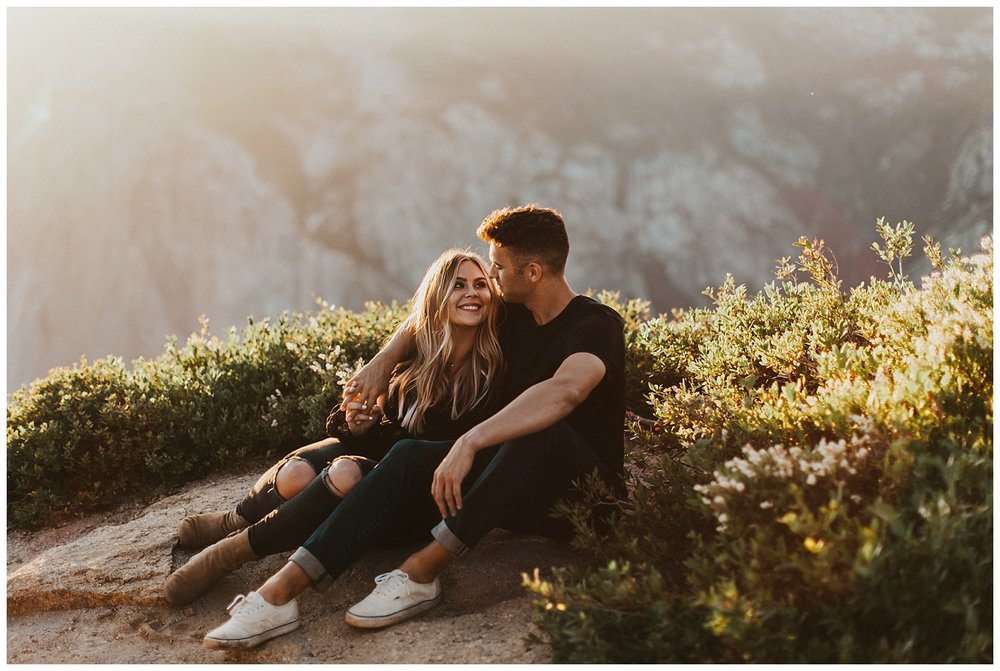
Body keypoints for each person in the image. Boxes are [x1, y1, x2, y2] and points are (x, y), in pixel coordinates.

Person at [202, 204, 625, 650]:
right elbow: (436, 308)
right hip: (515, 491)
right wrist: (384, 360)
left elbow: (566, 391)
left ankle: (420, 573)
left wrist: (470, 441)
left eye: (497, 268)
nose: (491, 278)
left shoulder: (595, 324)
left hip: (585, 498)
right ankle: (276, 598)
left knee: (539, 431)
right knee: (406, 455)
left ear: (533, 271)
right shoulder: (515, 316)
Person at [164, 248, 504, 606]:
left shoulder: (496, 365)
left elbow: (418, 451)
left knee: (343, 474)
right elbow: (354, 429)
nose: (471, 293)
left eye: (481, 285)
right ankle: (235, 519)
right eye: (458, 285)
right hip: (386, 463)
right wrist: (360, 424)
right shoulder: (415, 356)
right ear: (437, 298)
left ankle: (229, 554)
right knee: (297, 473)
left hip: (416, 496)